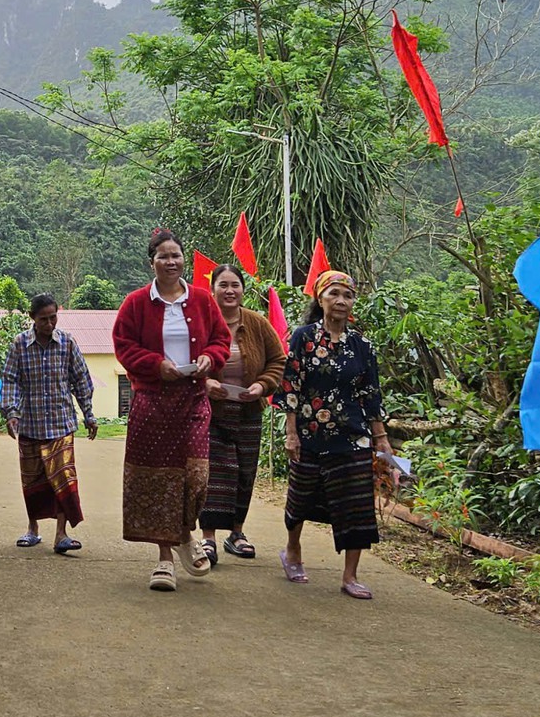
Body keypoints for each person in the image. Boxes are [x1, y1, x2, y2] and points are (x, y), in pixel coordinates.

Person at [112, 228, 232, 592]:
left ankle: (183, 532)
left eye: (176, 255)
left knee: (196, 476)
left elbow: (220, 339)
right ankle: (165, 558)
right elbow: (123, 345)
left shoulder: (201, 299)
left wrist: (211, 358)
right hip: (152, 400)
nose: (170, 261)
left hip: (194, 397)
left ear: (184, 260)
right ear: (152, 262)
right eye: (163, 256)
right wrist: (154, 364)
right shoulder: (135, 303)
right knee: (158, 478)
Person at [280, 269, 396, 599]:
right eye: (334, 294)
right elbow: (291, 386)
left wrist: (381, 438)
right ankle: (292, 551)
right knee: (300, 499)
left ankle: (350, 576)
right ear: (320, 299)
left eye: (348, 295)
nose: (341, 301)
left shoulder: (362, 346)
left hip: (353, 437)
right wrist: (291, 433)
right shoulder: (303, 337)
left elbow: (371, 394)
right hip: (309, 432)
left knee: (356, 505)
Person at [198, 263, 286, 565]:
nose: (229, 290)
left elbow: (278, 360)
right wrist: (206, 383)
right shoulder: (202, 323)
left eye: (235, 285)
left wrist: (262, 386)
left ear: (243, 290)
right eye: (223, 285)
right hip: (211, 411)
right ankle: (207, 537)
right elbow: (186, 360)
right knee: (212, 475)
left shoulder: (257, 323)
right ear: (213, 290)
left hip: (249, 411)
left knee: (244, 472)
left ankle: (237, 533)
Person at [0, 293, 99, 554]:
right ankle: (33, 529)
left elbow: (82, 381)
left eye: (53, 317)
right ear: (32, 318)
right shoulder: (19, 344)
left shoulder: (67, 343)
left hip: (61, 424)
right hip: (30, 425)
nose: (49, 323)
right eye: (43, 319)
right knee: (33, 480)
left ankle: (61, 535)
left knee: (63, 478)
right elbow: (10, 380)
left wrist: (88, 414)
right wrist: (11, 412)